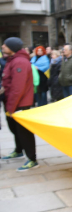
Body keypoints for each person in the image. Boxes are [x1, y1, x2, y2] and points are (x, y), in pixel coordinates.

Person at [1, 37, 38, 171]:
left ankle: (32, 159)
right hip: (11, 102)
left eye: (5, 45)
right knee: (15, 129)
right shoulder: (12, 60)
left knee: (24, 132)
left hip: (19, 104)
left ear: (12, 48)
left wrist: (11, 108)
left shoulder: (20, 62)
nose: (3, 46)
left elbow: (18, 88)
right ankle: (18, 150)